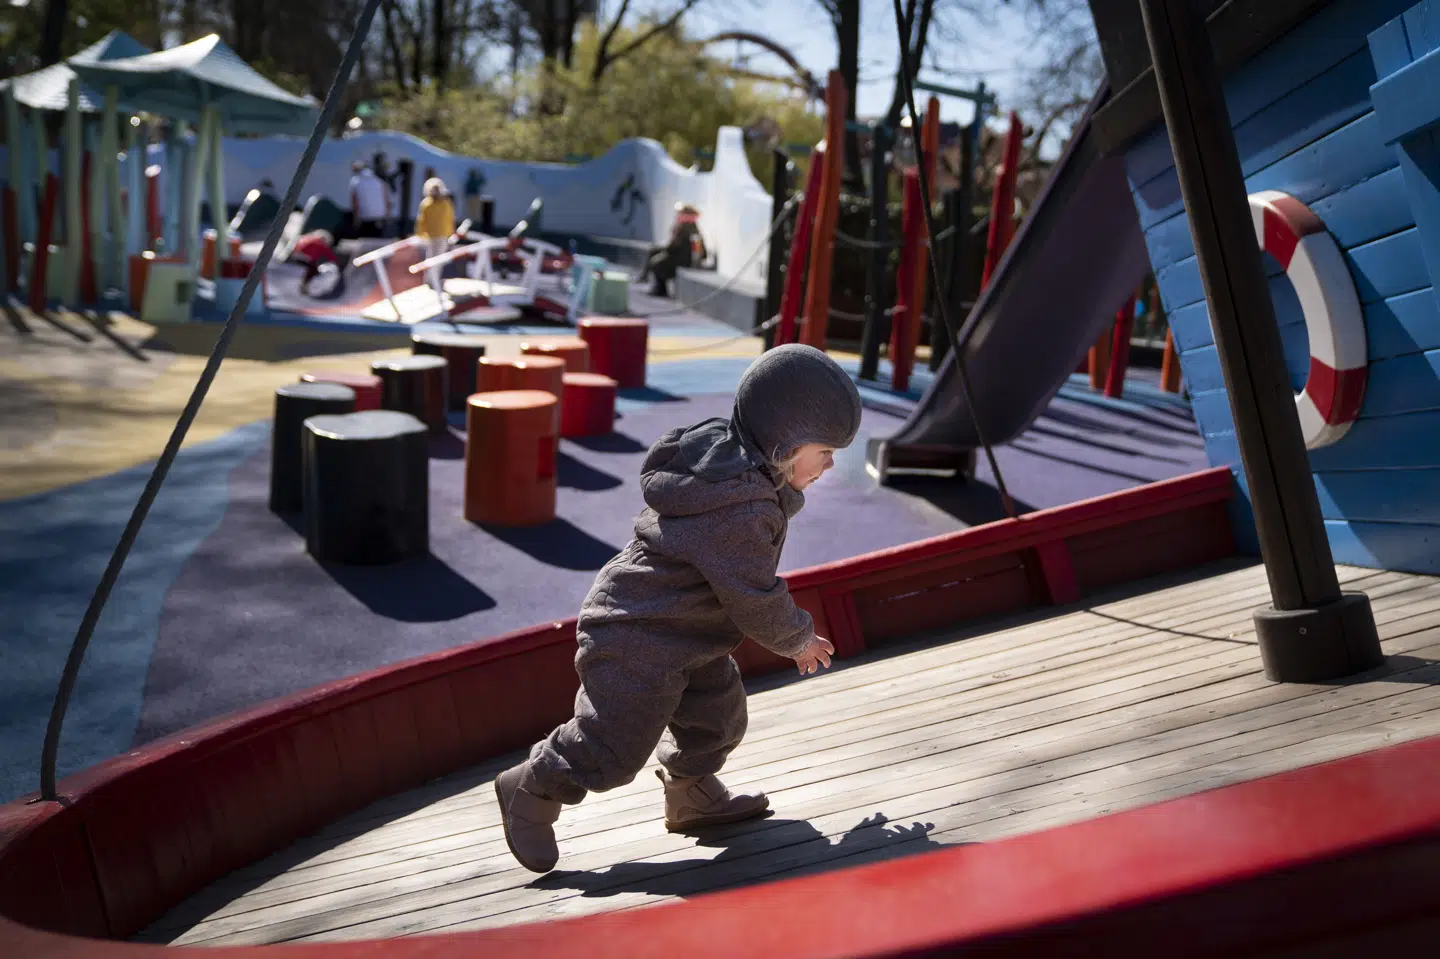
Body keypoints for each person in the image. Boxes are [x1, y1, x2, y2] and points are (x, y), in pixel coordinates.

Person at [493, 344, 862, 874]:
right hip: (636, 633)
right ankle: (532, 785)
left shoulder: (743, 470)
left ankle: (691, 795)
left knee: (719, 719)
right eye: (825, 451)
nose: (830, 465)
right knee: (613, 748)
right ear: (784, 441)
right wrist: (798, 638)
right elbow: (753, 594)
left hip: (690, 636)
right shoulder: (740, 506)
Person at [642, 202, 708, 297]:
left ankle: (660, 288)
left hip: (684, 260)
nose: (677, 215)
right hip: (680, 257)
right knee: (655, 254)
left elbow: (676, 246)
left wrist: (666, 250)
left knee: (656, 263)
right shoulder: (686, 226)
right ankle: (652, 281)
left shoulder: (687, 228)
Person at [414, 177, 456, 290]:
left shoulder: (445, 203)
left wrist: (451, 234)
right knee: (431, 258)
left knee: (439, 259)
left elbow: (450, 219)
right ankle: (429, 281)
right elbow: (421, 220)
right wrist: (419, 234)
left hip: (442, 235)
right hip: (431, 236)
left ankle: (434, 280)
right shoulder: (426, 204)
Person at [349, 161, 391, 238]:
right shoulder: (378, 180)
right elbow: (386, 198)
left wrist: (355, 219)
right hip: (380, 216)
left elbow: (354, 201)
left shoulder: (355, 181)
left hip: (365, 217)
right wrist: (387, 214)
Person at [290, 229, 338, 296]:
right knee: (313, 269)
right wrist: (335, 261)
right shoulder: (318, 242)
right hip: (302, 256)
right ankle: (304, 285)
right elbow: (328, 253)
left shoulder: (309, 237)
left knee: (312, 267)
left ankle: (304, 284)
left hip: (297, 255)